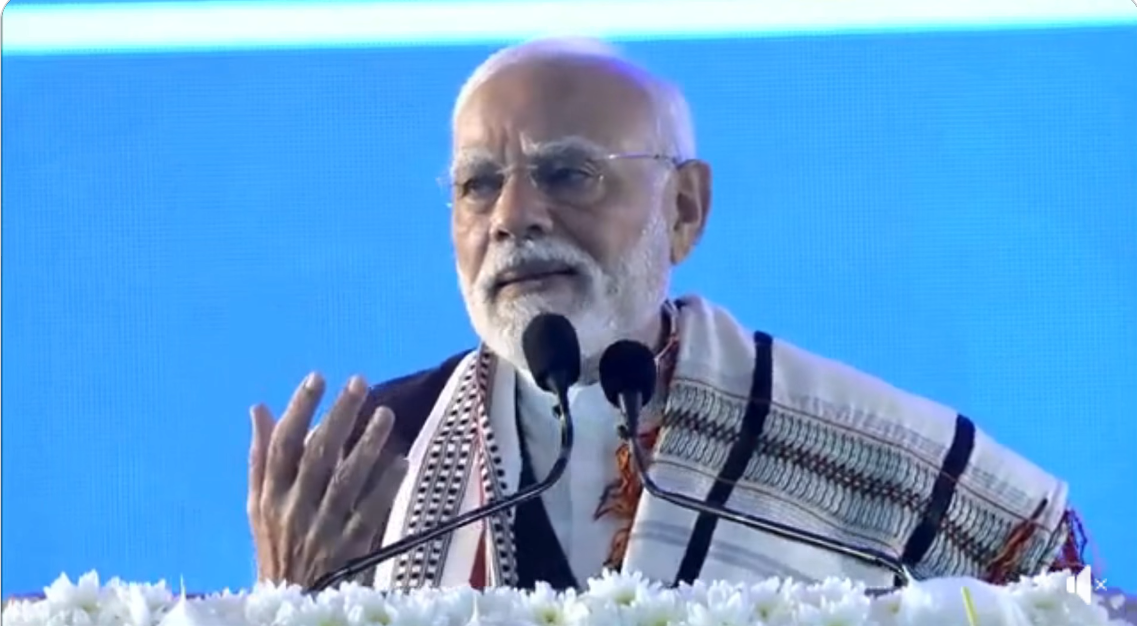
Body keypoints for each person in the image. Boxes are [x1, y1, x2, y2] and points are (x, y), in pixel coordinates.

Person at [245, 37, 1089, 593]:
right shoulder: (377, 454)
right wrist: (283, 603)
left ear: (683, 209)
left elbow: (1058, 592)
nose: (512, 216)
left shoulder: (864, 457)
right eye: (477, 185)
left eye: (567, 173)